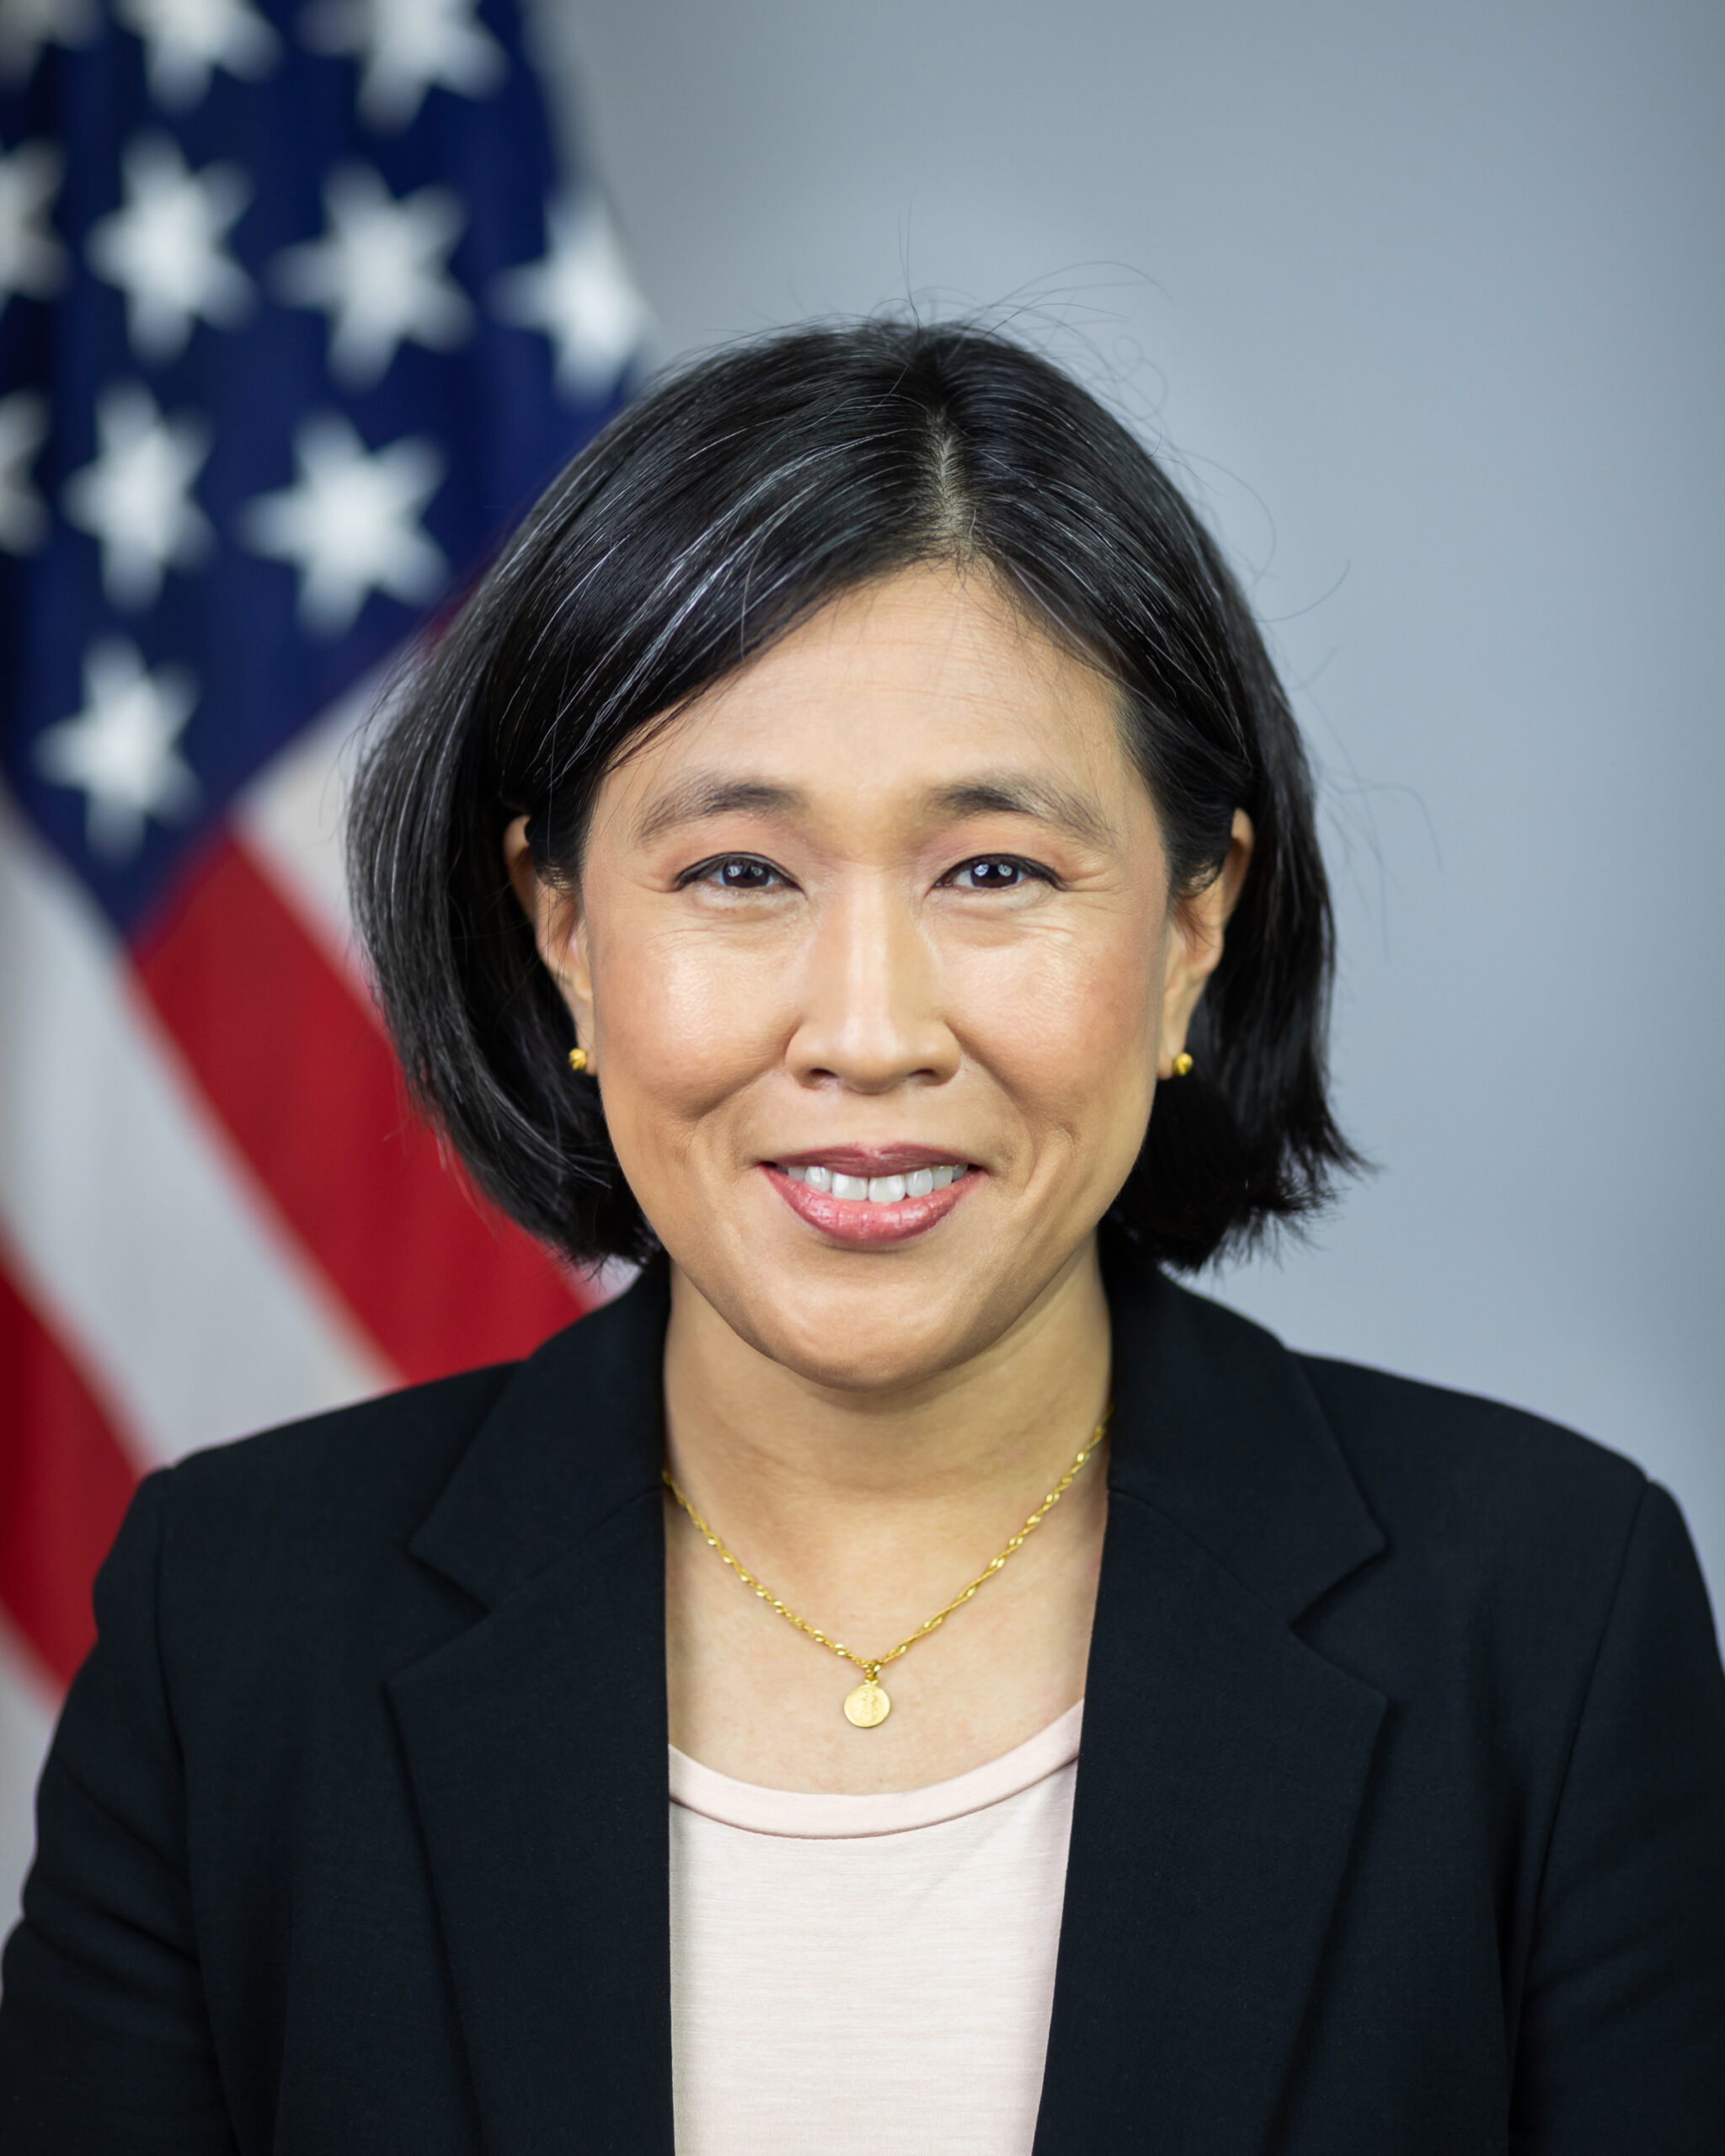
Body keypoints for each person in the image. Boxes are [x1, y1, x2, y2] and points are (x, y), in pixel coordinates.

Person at [2, 320, 1722, 2155]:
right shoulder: (236, 1621)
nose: (868, 1025)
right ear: (562, 924)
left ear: (1196, 920)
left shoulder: (1547, 1613)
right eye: (737, 872)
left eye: (993, 870)